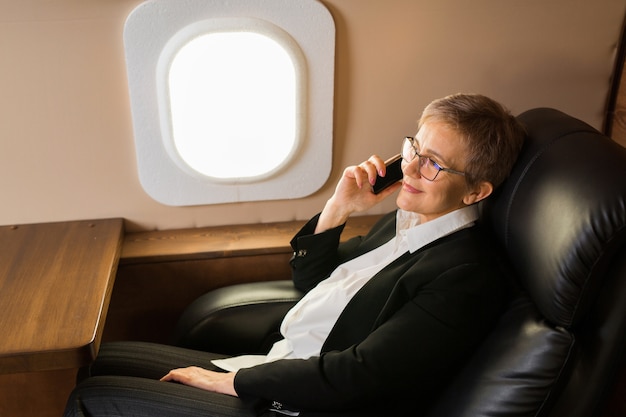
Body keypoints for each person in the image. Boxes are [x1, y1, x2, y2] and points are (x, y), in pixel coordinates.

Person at [63, 93, 525, 417]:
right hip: (282, 366)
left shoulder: (464, 274)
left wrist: (236, 384)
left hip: (302, 403)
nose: (408, 167)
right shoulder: (408, 222)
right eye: (413, 149)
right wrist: (339, 208)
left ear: (475, 191)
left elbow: (364, 375)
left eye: (433, 164)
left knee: (93, 399)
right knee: (104, 361)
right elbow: (314, 282)